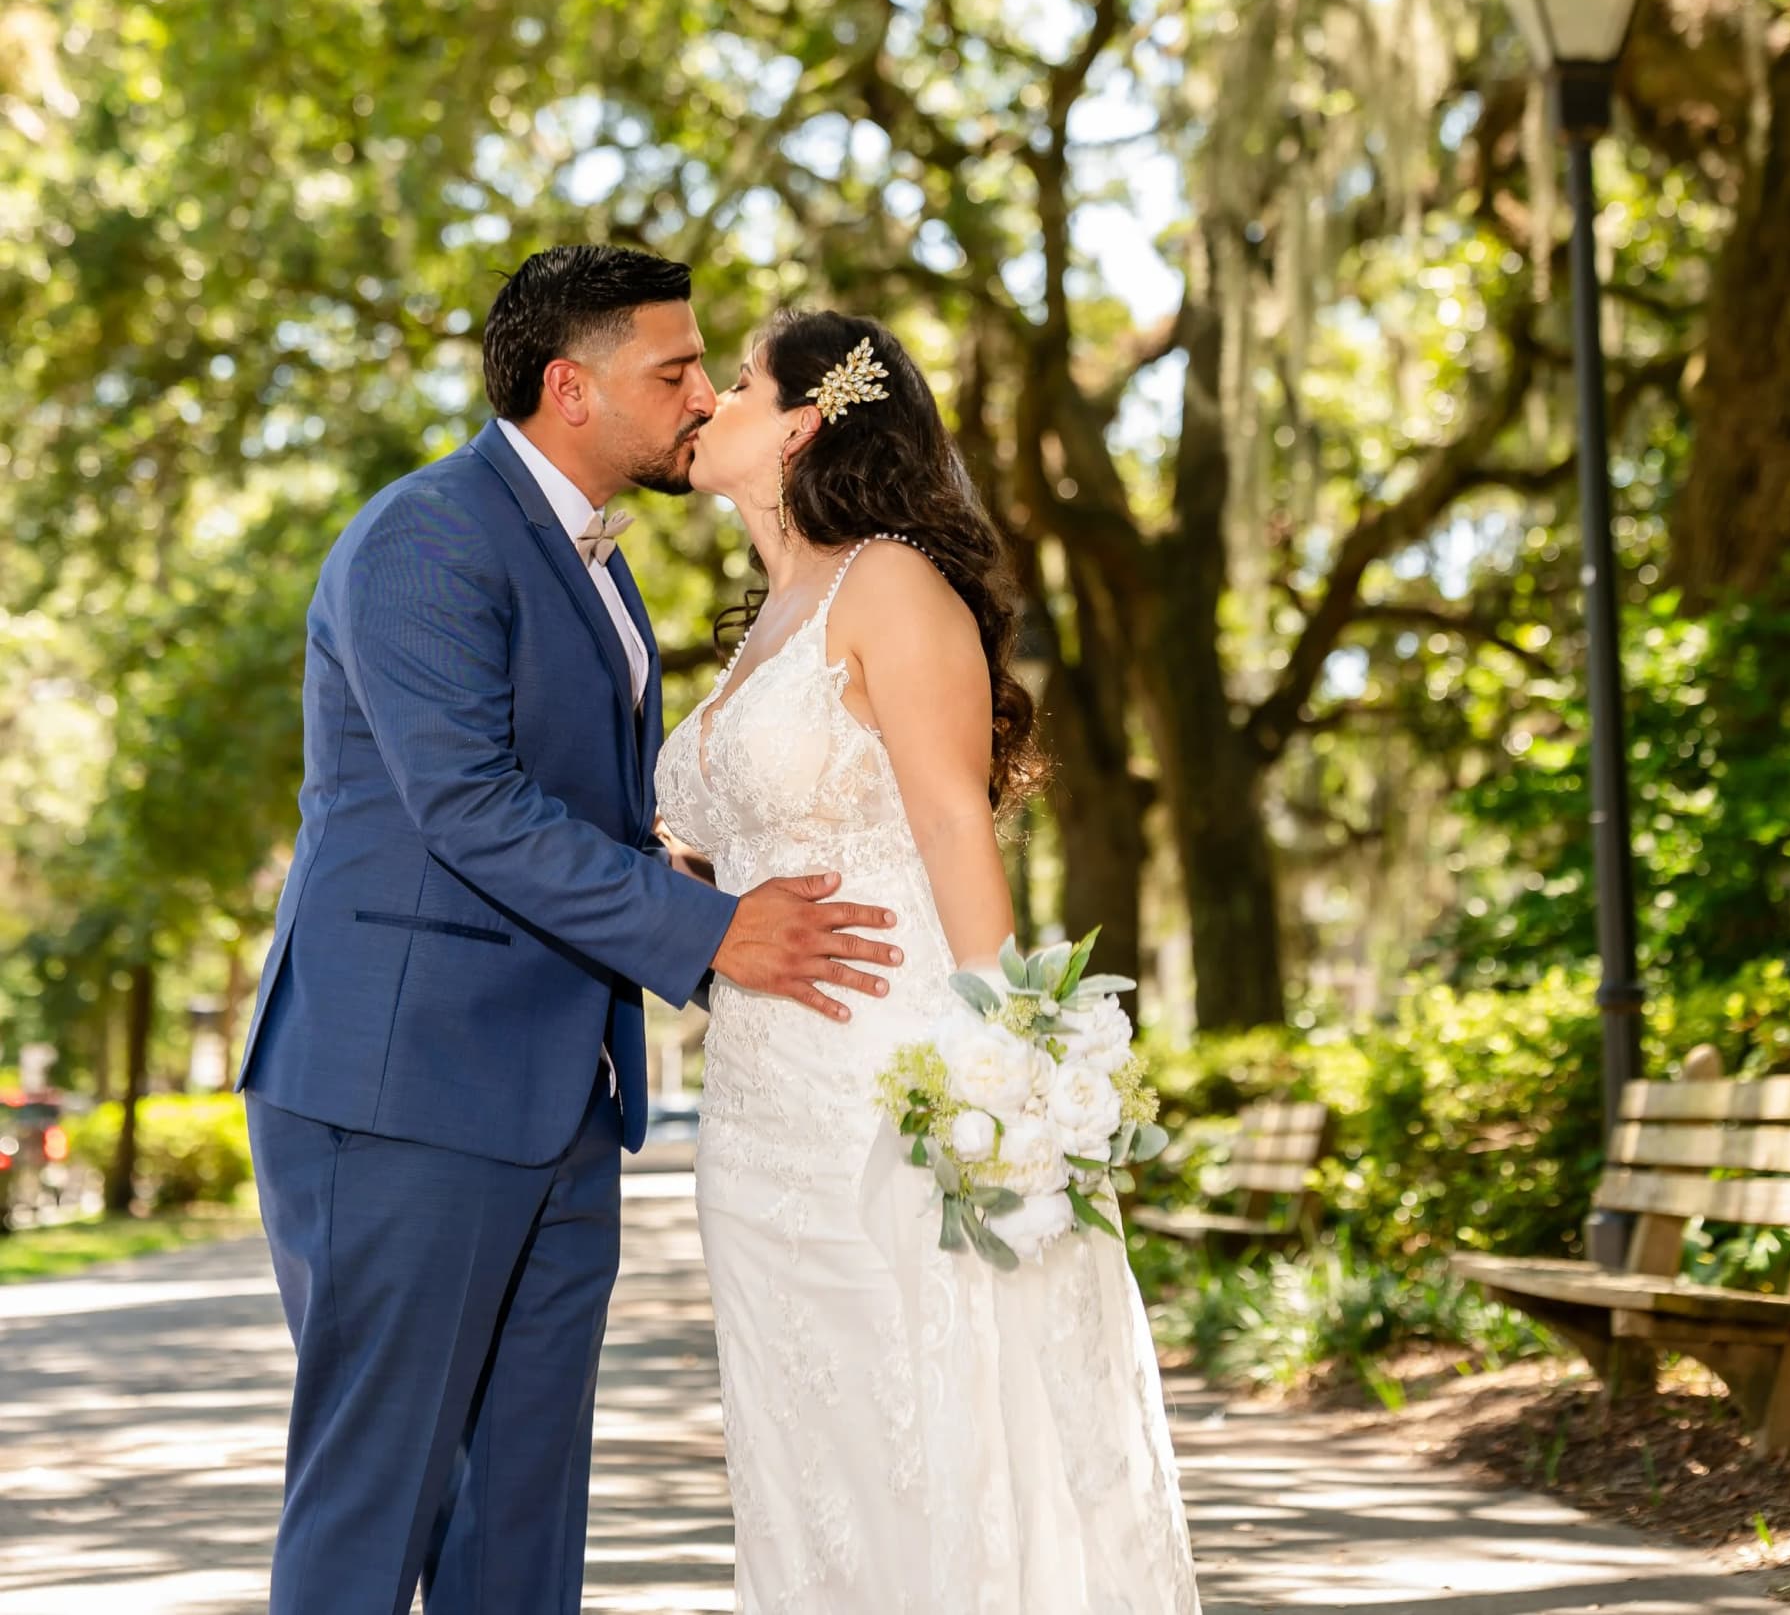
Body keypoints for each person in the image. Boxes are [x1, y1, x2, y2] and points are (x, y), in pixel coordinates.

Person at [236, 245, 902, 1615]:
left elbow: (576, 808)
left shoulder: (602, 565)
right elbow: (468, 807)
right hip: (399, 1093)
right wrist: (709, 929)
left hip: (562, 1103)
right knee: (376, 1508)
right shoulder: (425, 535)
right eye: (674, 371)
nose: (704, 395)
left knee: (521, 1529)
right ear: (568, 386)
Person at [657, 307, 1201, 1613]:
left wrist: (1012, 1077)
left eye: (731, 382)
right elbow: (733, 866)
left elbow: (955, 820)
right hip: (755, 1108)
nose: (704, 404)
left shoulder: (887, 579)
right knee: (804, 1460)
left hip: (878, 1087)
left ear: (800, 422)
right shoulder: (761, 623)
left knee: (928, 1423)